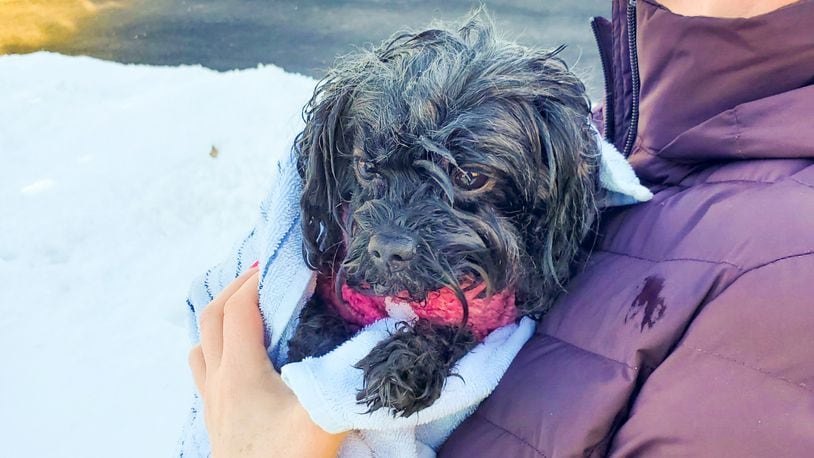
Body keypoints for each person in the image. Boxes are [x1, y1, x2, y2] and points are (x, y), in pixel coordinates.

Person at [189, 0, 814, 456]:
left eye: (467, 181)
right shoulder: (635, 127)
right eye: (377, 177)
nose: (394, 233)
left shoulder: (785, 266)